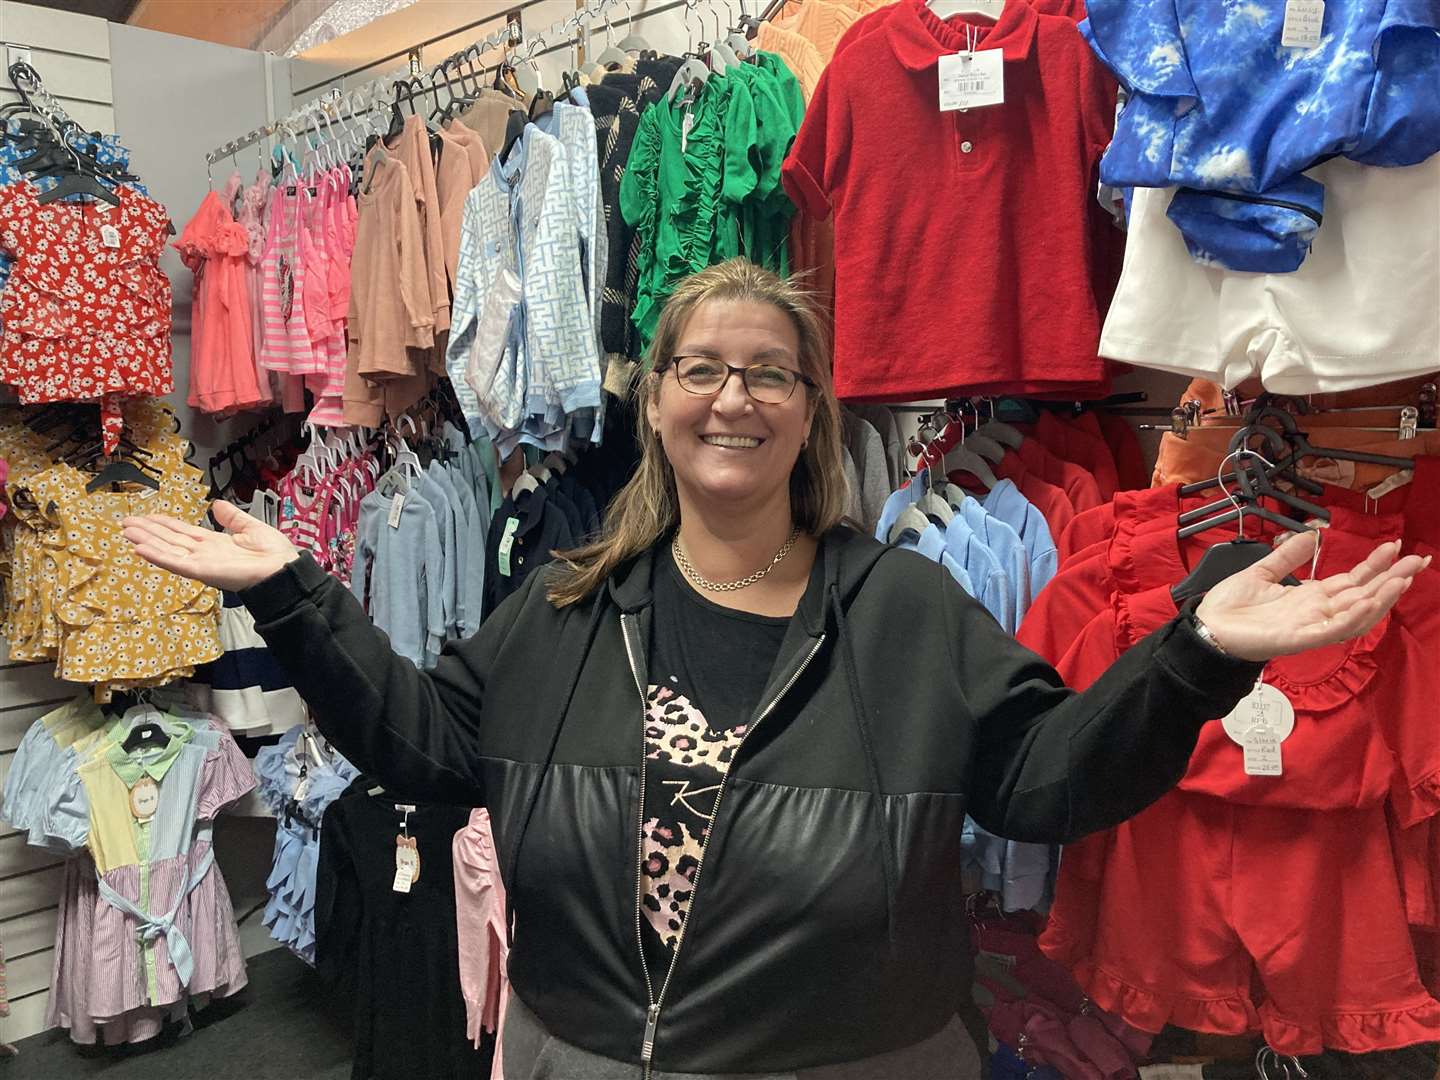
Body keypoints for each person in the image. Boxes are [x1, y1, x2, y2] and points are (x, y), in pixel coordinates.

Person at [124, 259, 1426, 1080]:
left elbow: (1044, 785)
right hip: (589, 1054)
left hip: (865, 1058)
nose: (732, 397)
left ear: (810, 410)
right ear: (658, 408)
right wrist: (293, 596)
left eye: (768, 373)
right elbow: (425, 743)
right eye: (701, 369)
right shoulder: (566, 607)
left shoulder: (907, 606)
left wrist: (1191, 656)